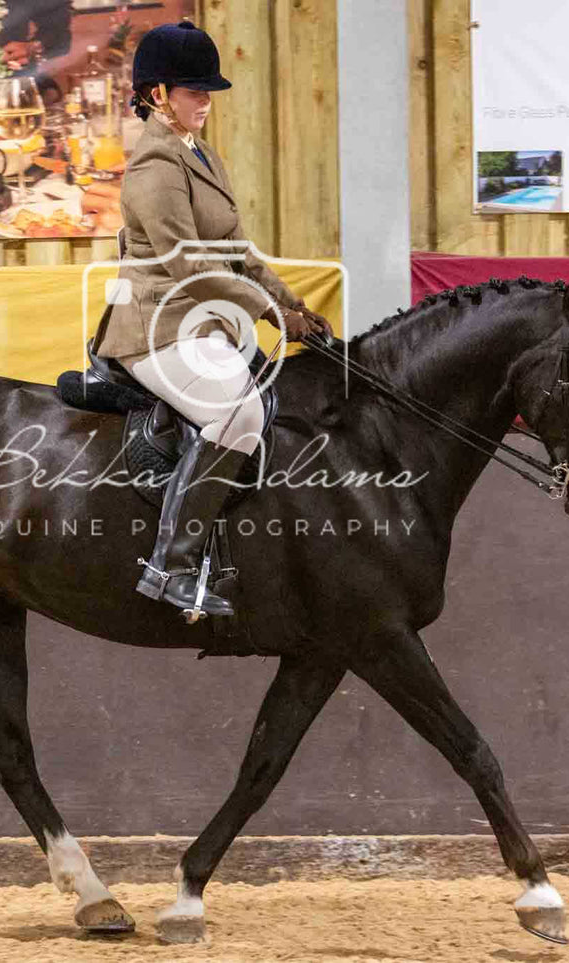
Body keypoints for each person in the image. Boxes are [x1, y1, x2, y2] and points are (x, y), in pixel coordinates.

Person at [91, 20, 332, 620]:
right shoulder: (153, 166)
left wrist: (292, 304)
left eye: (207, 92)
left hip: (201, 323)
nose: (206, 101)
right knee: (238, 411)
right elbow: (187, 263)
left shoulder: (200, 155)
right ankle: (169, 565)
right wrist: (269, 312)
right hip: (155, 326)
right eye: (194, 91)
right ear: (157, 95)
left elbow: (239, 254)